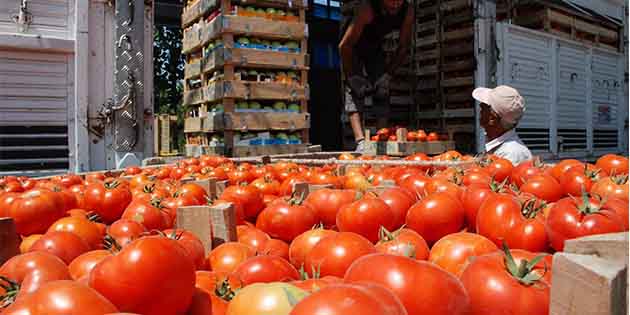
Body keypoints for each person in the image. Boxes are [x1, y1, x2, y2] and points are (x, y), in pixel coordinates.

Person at [339, 0, 414, 151]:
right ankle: (360, 141)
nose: (395, 4)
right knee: (354, 90)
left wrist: (388, 74)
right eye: (391, 0)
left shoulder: (407, 10)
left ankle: (382, 137)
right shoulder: (367, 8)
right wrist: (352, 77)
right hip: (352, 46)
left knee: (382, 88)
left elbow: (403, 46)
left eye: (399, 1)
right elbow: (344, 46)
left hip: (374, 45)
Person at [472, 85, 533, 165]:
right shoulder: (500, 147)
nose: (480, 106)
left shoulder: (511, 154)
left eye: (483, 107)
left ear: (492, 118)